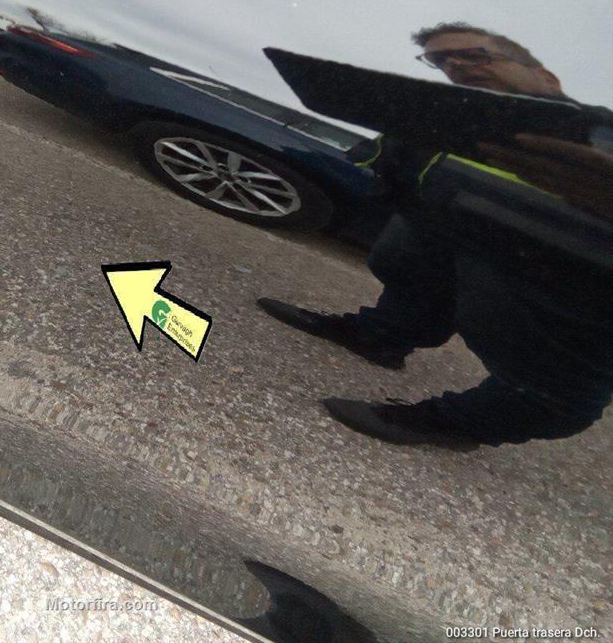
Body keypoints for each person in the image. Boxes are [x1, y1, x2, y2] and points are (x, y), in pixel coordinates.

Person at [258, 23, 613, 450]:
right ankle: (380, 338)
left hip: (565, 283)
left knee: (553, 375)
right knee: (410, 271)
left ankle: (460, 425)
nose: (456, 65)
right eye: (441, 60)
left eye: (476, 55)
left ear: (547, 77)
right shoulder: (447, 119)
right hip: (443, 238)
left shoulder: (597, 138)